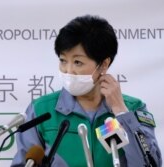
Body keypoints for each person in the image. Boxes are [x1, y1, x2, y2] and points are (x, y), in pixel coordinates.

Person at [11, 15, 162, 167]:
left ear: (103, 64)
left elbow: (149, 164)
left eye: (78, 62)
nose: (69, 70)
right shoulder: (41, 111)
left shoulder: (134, 108)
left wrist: (121, 113)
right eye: (63, 60)